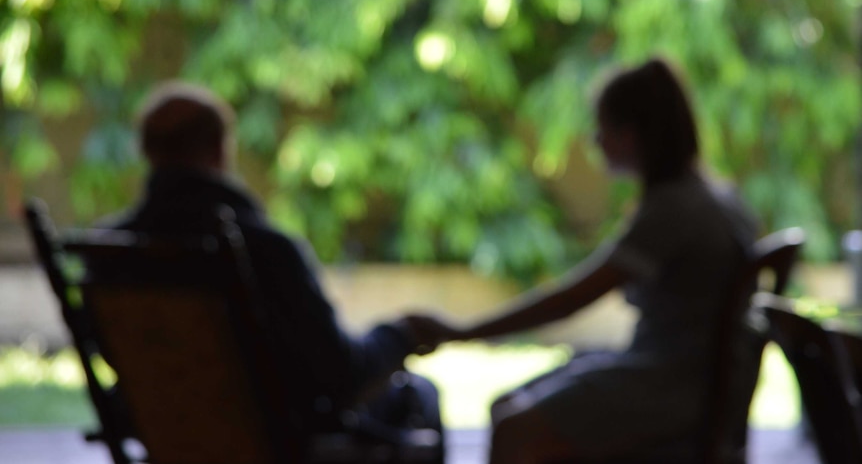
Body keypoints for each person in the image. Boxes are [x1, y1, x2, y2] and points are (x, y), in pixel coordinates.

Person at [406, 58, 761, 464]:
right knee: (508, 406)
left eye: (604, 128)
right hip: (694, 380)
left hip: (675, 388)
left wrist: (464, 332)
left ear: (634, 133)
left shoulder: (673, 209)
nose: (596, 140)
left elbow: (571, 299)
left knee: (513, 429)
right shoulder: (712, 197)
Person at [92, 81, 441, 441]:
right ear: (220, 149)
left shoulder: (111, 251)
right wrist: (399, 335)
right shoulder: (264, 250)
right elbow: (340, 375)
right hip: (280, 435)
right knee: (421, 397)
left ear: (147, 151)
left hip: (164, 429)